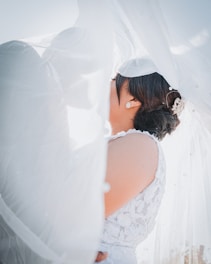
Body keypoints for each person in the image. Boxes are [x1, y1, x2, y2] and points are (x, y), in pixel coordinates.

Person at [98, 57, 184, 264]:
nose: (106, 84)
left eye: (114, 79)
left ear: (133, 101)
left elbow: (81, 212)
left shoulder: (140, 145)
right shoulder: (132, 144)